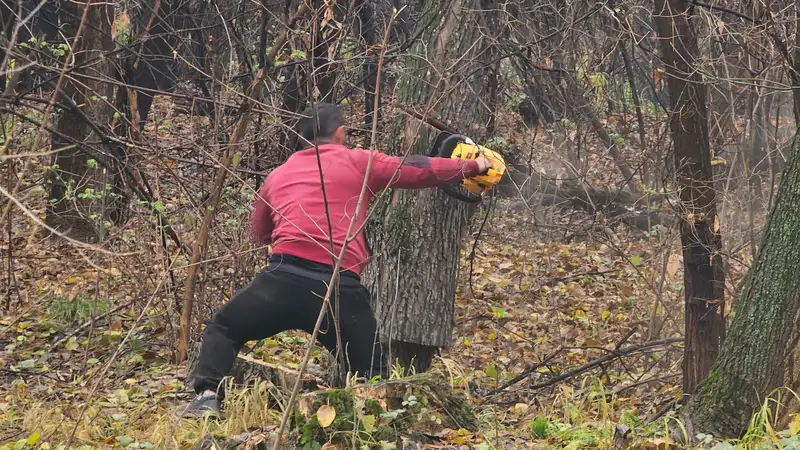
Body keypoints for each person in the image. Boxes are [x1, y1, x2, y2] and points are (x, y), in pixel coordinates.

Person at [176, 102, 492, 417]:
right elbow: (418, 169)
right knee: (372, 374)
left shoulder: (278, 175)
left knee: (224, 326)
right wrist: (473, 167)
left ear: (301, 139)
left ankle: (206, 397)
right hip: (338, 290)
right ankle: (371, 423)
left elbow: (260, 232)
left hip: (280, 282)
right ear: (339, 134)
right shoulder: (358, 161)